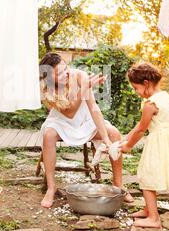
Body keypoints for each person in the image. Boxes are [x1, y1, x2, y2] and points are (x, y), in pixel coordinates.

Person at [39, 52, 133, 208]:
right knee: (48, 135)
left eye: (66, 68)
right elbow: (69, 111)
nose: (66, 73)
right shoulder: (47, 89)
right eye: (59, 73)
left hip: (85, 118)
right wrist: (84, 88)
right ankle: (51, 187)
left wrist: (105, 138)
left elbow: (93, 108)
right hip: (61, 121)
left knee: (114, 133)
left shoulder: (79, 75)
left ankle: (119, 184)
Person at [119, 62, 169, 228]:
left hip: (160, 144)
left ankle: (154, 218)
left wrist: (128, 146)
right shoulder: (163, 96)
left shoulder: (150, 104)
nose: (136, 92)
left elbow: (141, 130)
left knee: (147, 176)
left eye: (136, 88)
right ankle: (148, 209)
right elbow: (140, 125)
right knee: (150, 175)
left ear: (146, 84)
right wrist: (126, 137)